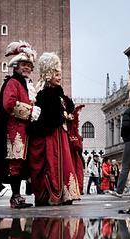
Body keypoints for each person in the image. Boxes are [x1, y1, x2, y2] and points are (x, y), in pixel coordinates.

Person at [0, 40, 39, 209]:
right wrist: (30, 111)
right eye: (24, 64)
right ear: (16, 66)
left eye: (29, 65)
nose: (27, 68)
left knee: (21, 164)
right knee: (15, 164)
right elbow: (8, 104)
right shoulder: (12, 83)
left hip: (24, 131)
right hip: (14, 131)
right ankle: (15, 198)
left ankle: (19, 196)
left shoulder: (25, 84)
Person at [27, 52, 81, 206]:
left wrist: (66, 112)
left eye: (60, 74)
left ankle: (65, 193)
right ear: (49, 74)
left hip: (60, 135)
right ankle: (53, 194)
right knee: (53, 164)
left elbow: (68, 106)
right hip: (51, 137)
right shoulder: (43, 95)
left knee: (63, 163)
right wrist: (62, 114)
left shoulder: (58, 92)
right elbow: (48, 118)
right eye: (56, 74)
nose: (59, 77)